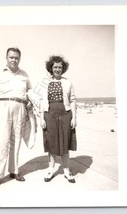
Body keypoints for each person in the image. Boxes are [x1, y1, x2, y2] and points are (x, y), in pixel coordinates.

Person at [0, 47, 32, 190]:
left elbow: (30, 91)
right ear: (6, 58)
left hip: (20, 108)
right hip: (3, 107)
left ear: (20, 59)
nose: (14, 60)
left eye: (16, 57)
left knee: (16, 141)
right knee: (2, 143)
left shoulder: (24, 74)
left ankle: (14, 171)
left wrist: (30, 100)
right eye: (11, 57)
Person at [39, 55, 77, 183]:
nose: (57, 69)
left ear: (63, 68)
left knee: (65, 142)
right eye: (55, 67)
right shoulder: (44, 83)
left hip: (65, 115)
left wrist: (74, 118)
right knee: (51, 143)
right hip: (49, 115)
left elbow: (72, 100)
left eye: (60, 67)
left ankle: (66, 170)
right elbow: (41, 101)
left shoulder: (68, 82)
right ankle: (51, 169)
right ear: (51, 68)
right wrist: (41, 118)